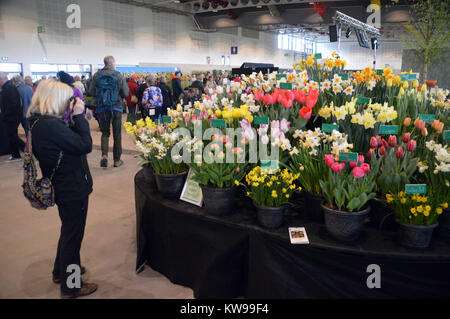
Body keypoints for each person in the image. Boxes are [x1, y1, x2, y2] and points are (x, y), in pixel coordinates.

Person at [27, 79, 97, 299]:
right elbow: (85, 144)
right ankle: (72, 284)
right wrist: (78, 116)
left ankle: (61, 272)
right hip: (72, 188)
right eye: (68, 99)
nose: (70, 103)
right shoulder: (52, 127)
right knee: (73, 236)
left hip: (64, 185)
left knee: (68, 231)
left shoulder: (40, 123)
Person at [89, 56, 129, 168]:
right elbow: (125, 93)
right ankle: (117, 160)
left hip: (102, 108)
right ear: (112, 63)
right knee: (117, 134)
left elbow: (91, 92)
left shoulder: (97, 75)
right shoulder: (118, 75)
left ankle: (104, 155)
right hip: (116, 108)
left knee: (105, 133)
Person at [0, 72, 25, 161]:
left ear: (2, 79)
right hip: (11, 116)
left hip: (12, 117)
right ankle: (16, 155)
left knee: (12, 135)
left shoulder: (9, 88)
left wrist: (5, 114)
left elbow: (12, 104)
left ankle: (26, 149)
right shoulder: (7, 87)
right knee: (11, 135)